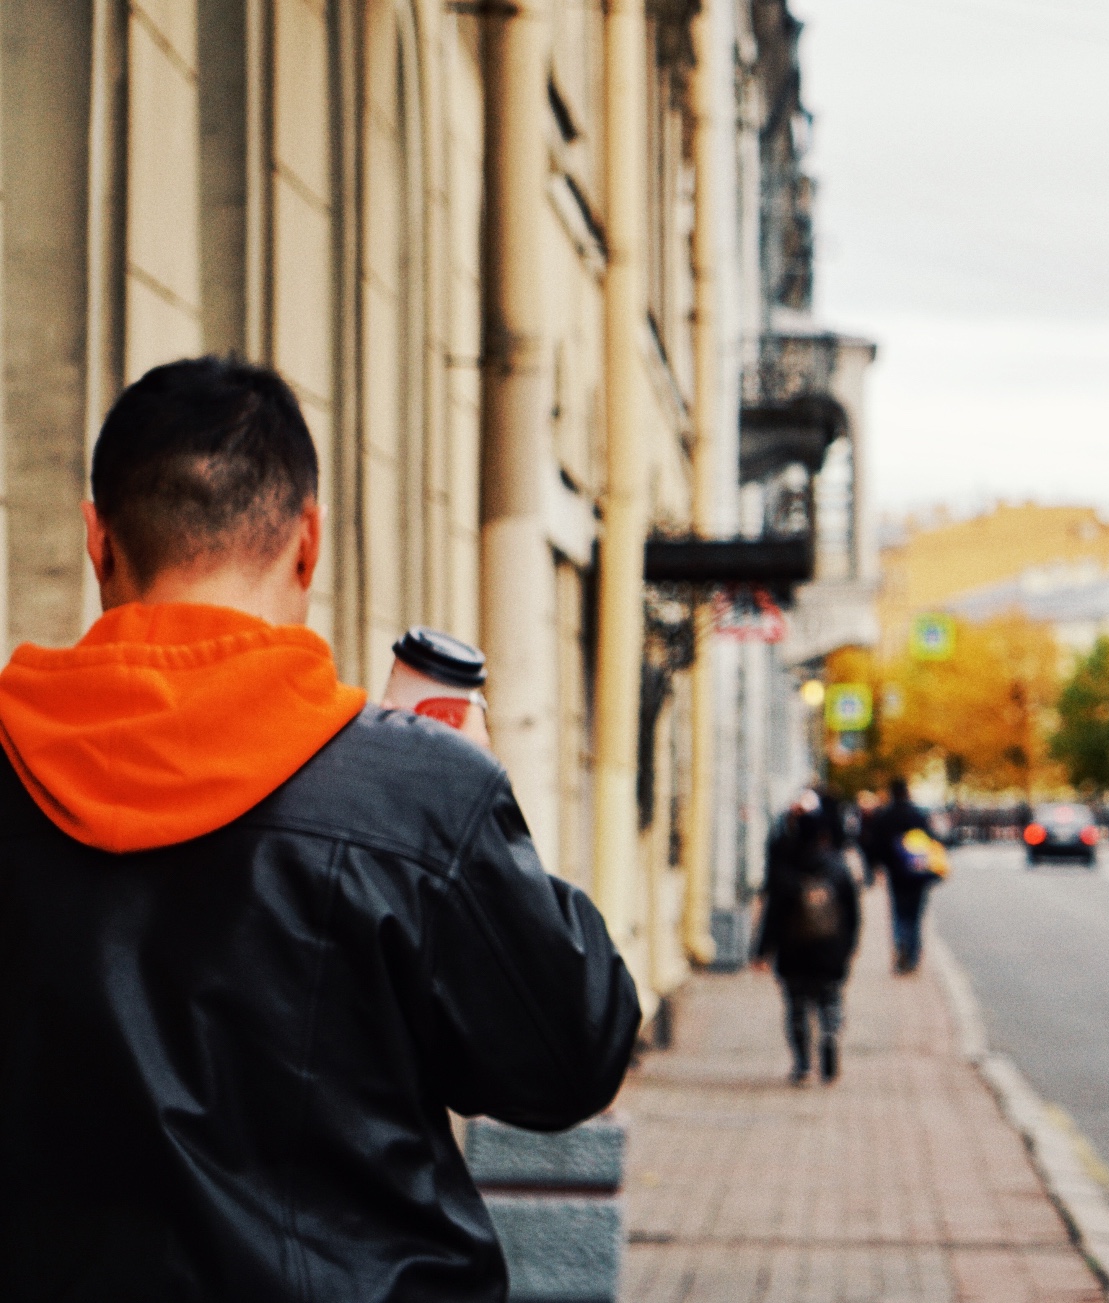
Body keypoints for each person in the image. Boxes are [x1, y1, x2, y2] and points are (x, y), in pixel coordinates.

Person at [0, 358, 641, 1303]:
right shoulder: (415, 790)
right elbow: (569, 1060)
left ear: (99, 540)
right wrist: (470, 799)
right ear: (309, 542)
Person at [753, 790, 861, 1084]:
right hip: (830, 950)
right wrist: (848, 948)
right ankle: (829, 1035)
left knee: (796, 1007)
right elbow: (852, 915)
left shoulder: (785, 870)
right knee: (830, 999)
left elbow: (772, 915)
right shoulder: (838, 869)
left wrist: (761, 952)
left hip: (793, 952)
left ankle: (802, 1064)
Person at [871, 776, 937, 973]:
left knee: (899, 913)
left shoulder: (885, 815)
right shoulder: (916, 814)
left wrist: (880, 865)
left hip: (895, 874)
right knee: (915, 916)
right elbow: (930, 840)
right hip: (917, 873)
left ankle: (901, 946)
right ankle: (913, 954)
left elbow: (877, 844)